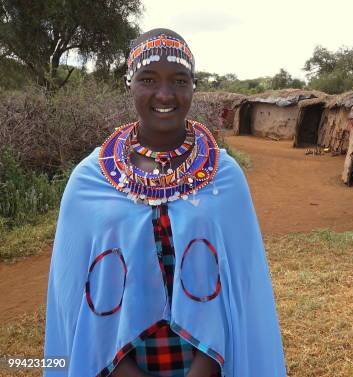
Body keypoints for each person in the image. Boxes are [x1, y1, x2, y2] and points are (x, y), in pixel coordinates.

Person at [43, 29, 286, 377]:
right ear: (129, 83)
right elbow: (71, 293)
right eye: (148, 79)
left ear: (193, 86)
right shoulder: (90, 179)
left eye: (178, 80)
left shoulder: (225, 176)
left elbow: (243, 290)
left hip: (210, 364)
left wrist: (203, 369)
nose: (164, 93)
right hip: (115, 367)